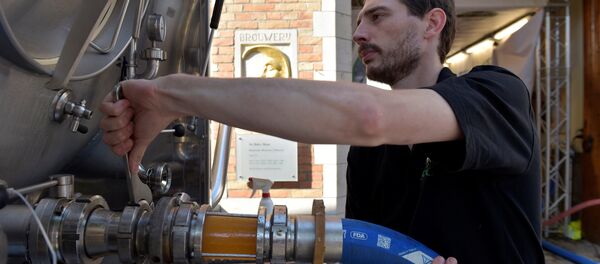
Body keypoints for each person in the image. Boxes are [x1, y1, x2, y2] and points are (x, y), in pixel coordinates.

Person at [100, 0, 544, 263]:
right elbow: (368, 249)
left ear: (432, 24)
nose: (358, 33)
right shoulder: (371, 154)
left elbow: (371, 116)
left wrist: (173, 94)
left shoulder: (496, 95)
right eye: (358, 20)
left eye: (376, 17)